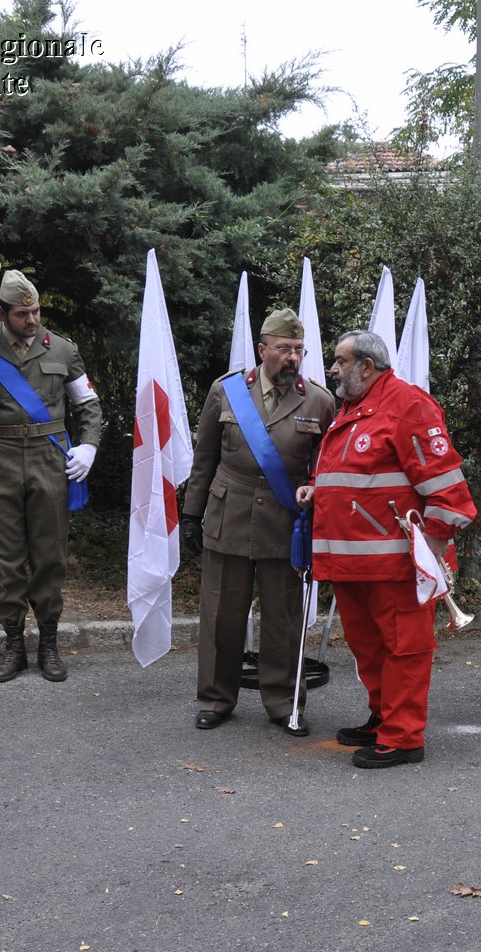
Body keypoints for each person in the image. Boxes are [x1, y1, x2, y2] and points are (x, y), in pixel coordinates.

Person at [294, 329, 476, 768]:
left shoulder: (408, 405)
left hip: (394, 565)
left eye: (339, 361)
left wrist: (426, 555)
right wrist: (319, 489)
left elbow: (450, 495)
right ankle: (383, 719)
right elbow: (356, 475)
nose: (332, 369)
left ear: (366, 366)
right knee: (370, 648)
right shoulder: (353, 409)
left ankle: (404, 736)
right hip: (352, 563)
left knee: (404, 651)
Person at [181, 308, 336, 735]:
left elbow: (327, 466)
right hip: (228, 511)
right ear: (262, 349)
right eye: (283, 349)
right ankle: (215, 698)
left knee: (284, 618)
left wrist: (320, 505)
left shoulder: (320, 400)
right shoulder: (226, 391)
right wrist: (191, 513)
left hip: (286, 521)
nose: (292, 358)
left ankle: (284, 702)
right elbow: (205, 457)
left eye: (298, 350)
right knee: (220, 615)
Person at [0, 270, 103, 684]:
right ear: (2, 313)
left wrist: (88, 445)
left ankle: (48, 644)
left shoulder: (63, 350)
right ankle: (14, 646)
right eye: (22, 314)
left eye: (35, 311)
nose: (32, 321)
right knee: (5, 557)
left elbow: (88, 405)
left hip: (50, 460)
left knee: (50, 555)